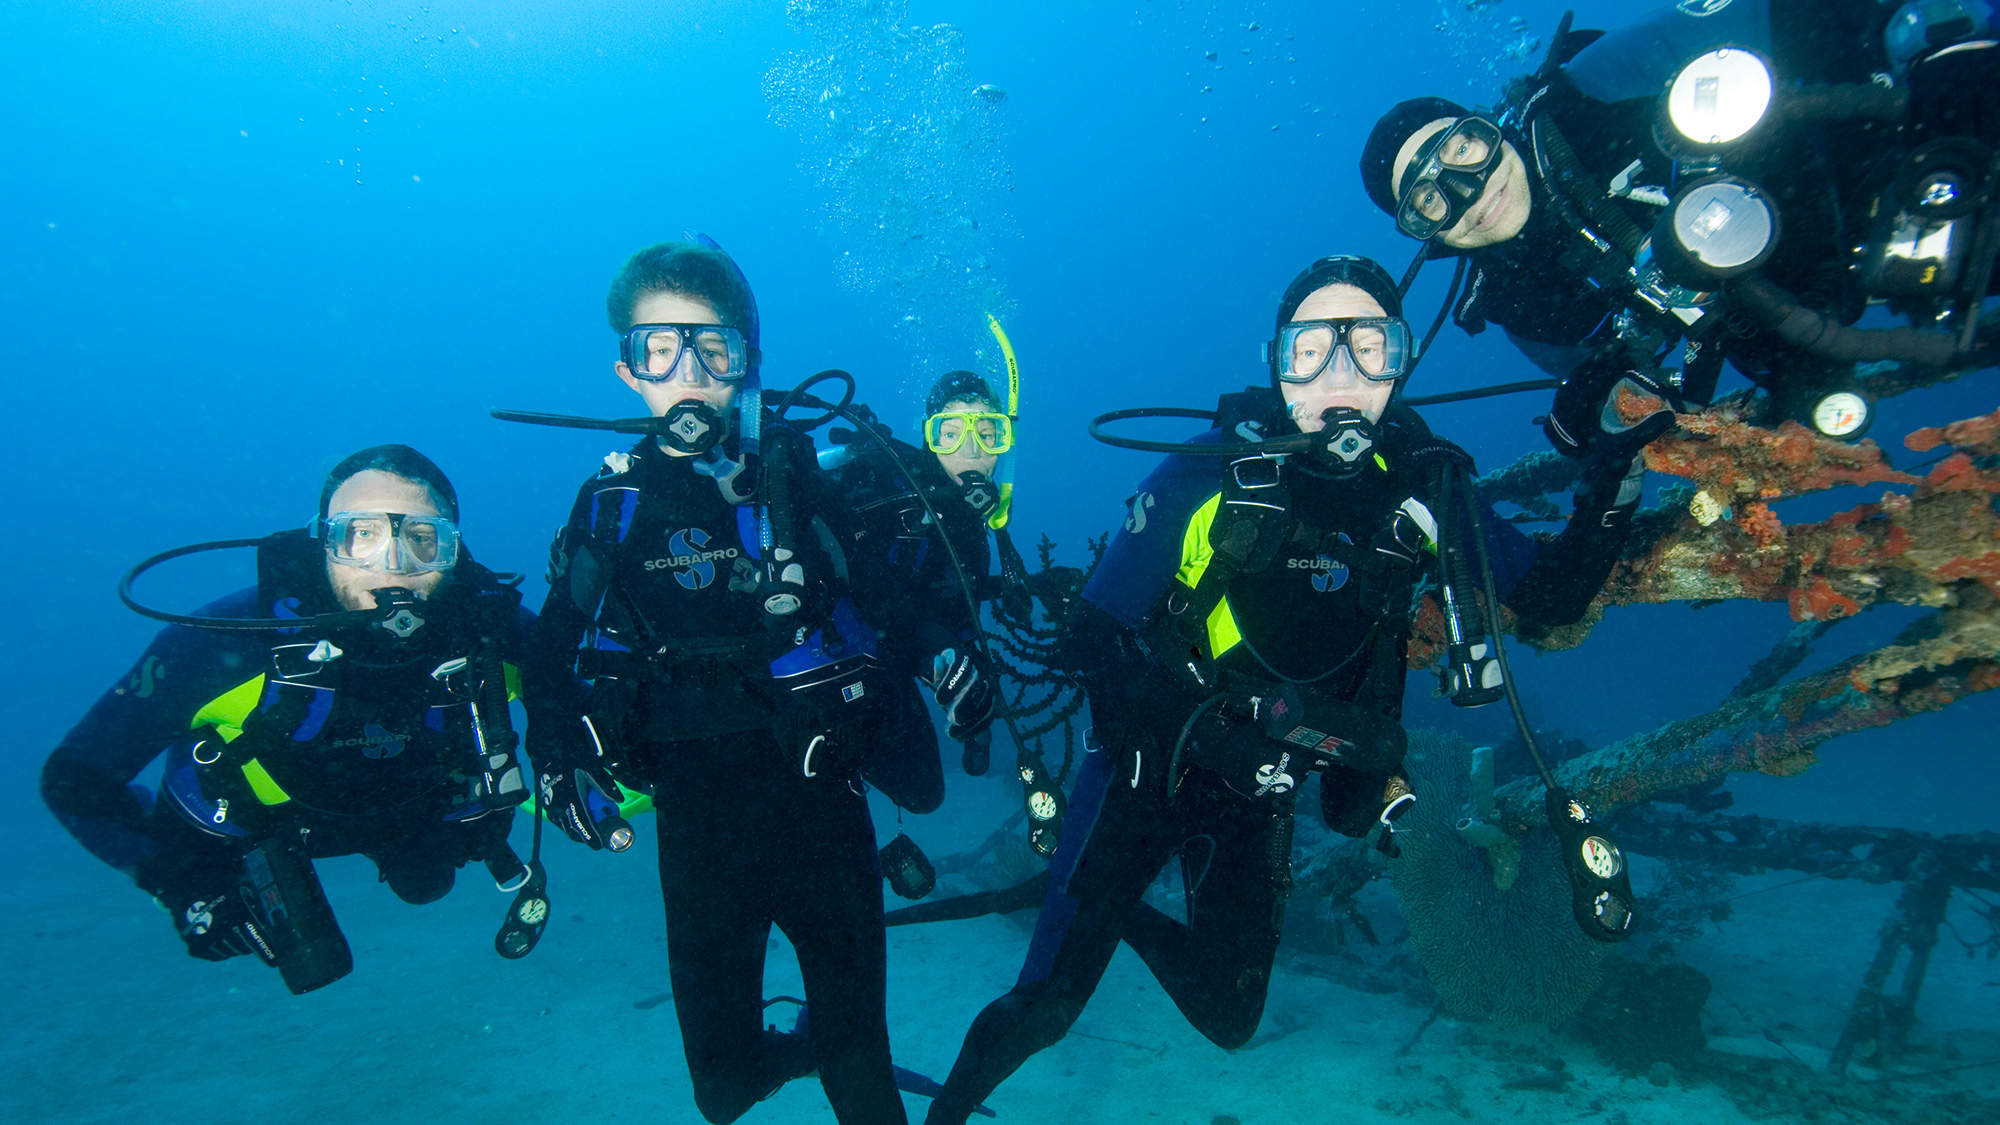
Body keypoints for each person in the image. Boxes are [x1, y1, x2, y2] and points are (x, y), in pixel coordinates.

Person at [920, 255, 1662, 1124]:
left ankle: (1105, 907)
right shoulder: (1209, 467)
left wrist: (1614, 471)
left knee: (1231, 1018)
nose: (1340, 374)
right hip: (1144, 768)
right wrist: (1212, 737)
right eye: (1313, 348)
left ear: (1403, 359)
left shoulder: (1427, 483)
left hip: (1261, 791)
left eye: (1369, 346)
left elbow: (1551, 595)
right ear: (1277, 362)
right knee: (1043, 1009)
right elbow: (1095, 642)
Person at [520, 237, 910, 1125]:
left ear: (748, 364)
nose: (688, 373)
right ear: (628, 371)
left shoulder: (794, 476)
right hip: (696, 820)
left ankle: (842, 1041)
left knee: (866, 1083)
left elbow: (890, 609)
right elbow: (549, 649)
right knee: (722, 1090)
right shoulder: (610, 504)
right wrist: (553, 751)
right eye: (660, 348)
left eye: (714, 348)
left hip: (818, 793)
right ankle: (810, 1041)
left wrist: (819, 565)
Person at [1360, 0, 1997, 440]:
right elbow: (1629, 388)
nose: (1468, 190)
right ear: (1431, 236)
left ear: (1492, 126)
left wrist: (1939, 59)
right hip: (1869, 291)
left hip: (1921, 163)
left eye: (1460, 147)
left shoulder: (1594, 89)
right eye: (1428, 198)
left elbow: (1782, 12)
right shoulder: (1527, 308)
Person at [41, 445, 535, 995]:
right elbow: (74, 777)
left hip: (410, 808)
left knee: (427, 882)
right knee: (292, 950)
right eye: (362, 534)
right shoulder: (217, 643)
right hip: (246, 819)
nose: (393, 564)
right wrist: (175, 881)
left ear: (453, 550)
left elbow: (594, 705)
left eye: (422, 537)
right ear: (322, 543)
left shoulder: (493, 631)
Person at [820, 368, 1016, 816]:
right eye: (950, 434)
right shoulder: (882, 489)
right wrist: (929, 648)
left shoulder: (969, 521)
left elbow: (954, 601)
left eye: (989, 433)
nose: (971, 449)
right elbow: (853, 589)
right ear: (930, 439)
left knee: (923, 793)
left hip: (896, 660)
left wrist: (970, 692)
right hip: (834, 663)